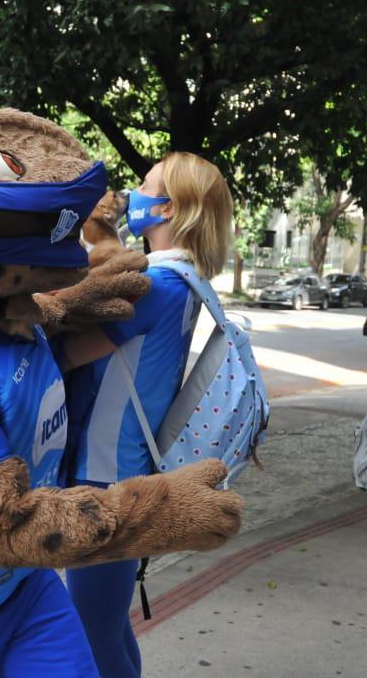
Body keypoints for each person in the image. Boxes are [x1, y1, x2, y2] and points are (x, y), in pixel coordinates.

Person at [58, 151, 234, 678]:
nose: (133, 193)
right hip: (126, 468)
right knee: (109, 625)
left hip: (104, 476)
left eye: (145, 184)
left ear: (170, 208)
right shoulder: (183, 279)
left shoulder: (154, 285)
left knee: (94, 633)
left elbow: (66, 353)